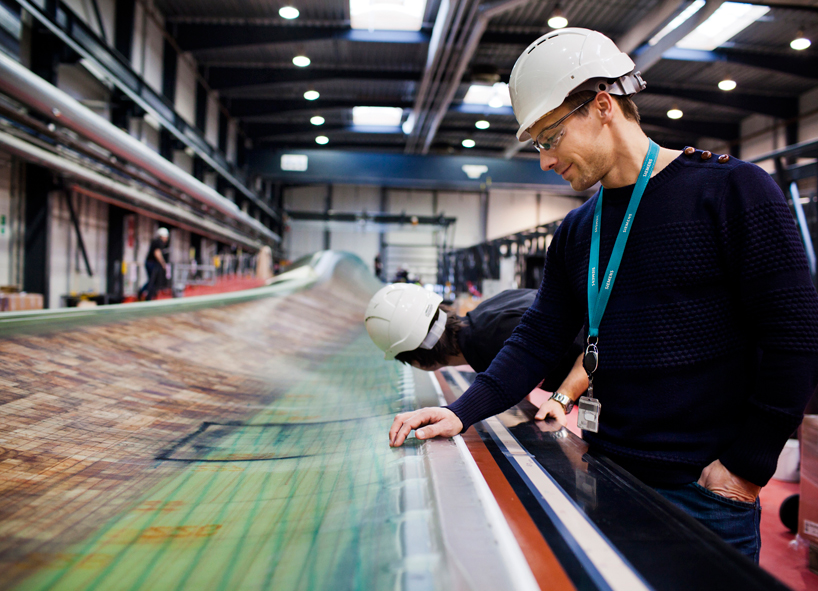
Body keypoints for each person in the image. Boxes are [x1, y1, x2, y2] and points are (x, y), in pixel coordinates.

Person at [387, 28, 818, 562]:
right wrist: (463, 412)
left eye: (549, 138)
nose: (544, 160)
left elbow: (795, 335)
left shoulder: (733, 191)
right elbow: (537, 336)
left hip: (704, 491)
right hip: (607, 474)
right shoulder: (578, 230)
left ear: (602, 105)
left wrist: (748, 464)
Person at [365, 283, 588, 425]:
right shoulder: (485, 317)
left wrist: (561, 398)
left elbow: (596, 344)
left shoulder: (493, 341)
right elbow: (524, 370)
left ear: (417, 362)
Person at [138, 227, 170, 301]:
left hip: (149, 262)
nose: (167, 239)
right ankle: (147, 296)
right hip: (152, 263)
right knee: (153, 281)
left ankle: (143, 292)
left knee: (151, 280)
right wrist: (163, 263)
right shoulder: (159, 242)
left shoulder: (155, 241)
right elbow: (157, 253)